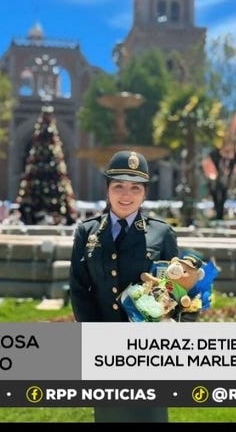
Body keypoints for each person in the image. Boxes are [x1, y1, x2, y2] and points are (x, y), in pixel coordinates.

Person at [69, 150, 177, 423]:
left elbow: (173, 289)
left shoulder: (162, 233)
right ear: (107, 189)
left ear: (144, 193)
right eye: (119, 186)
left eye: (135, 187)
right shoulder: (87, 232)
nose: (126, 194)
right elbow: (79, 290)